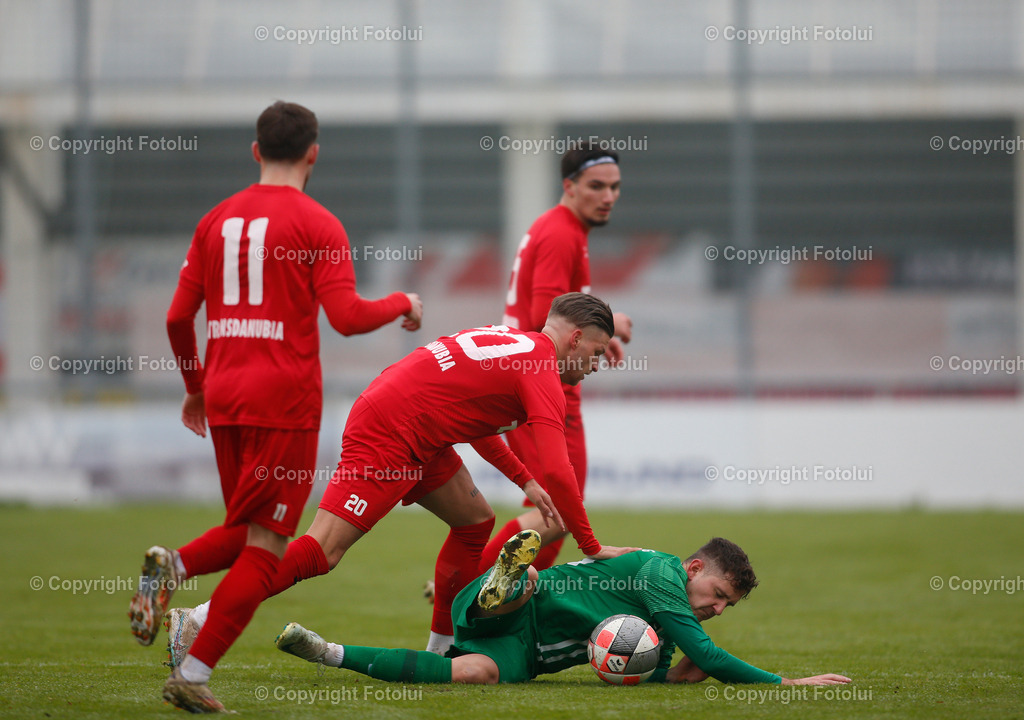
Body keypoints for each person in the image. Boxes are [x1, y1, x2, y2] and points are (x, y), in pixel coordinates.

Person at [156, 292, 638, 712]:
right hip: (392, 431)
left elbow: (469, 419)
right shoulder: (541, 370)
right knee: (322, 551)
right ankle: (198, 620)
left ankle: (442, 650)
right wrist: (592, 546)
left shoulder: (513, 341)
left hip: (414, 425)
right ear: (575, 338)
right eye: (597, 351)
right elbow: (560, 469)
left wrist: (523, 479)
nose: (597, 363)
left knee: (474, 520)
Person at [126, 100, 423, 713]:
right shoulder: (318, 223)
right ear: (314, 154)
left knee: (244, 528)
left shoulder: (215, 221)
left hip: (227, 397)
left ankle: (173, 566)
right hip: (283, 400)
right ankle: (193, 671)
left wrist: (195, 386)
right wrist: (401, 301)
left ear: (255, 152)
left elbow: (178, 316)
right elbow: (346, 318)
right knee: (267, 548)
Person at [279, 532, 852, 687]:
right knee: (527, 581)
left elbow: (669, 667)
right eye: (720, 596)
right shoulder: (662, 577)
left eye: (728, 606)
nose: (719, 609)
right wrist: (786, 682)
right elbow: (705, 650)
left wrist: (680, 676)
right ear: (696, 570)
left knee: (470, 674)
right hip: (521, 608)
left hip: (527, 651)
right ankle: (503, 580)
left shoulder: (664, 616)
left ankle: (326, 652)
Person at [483, 139, 634, 573]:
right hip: (540, 386)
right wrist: (613, 321)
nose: (608, 197)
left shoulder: (564, 229)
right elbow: (546, 319)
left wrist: (600, 339)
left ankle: (509, 601)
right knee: (560, 512)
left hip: (538, 381)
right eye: (596, 186)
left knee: (555, 513)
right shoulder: (560, 234)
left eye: (615, 187)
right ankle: (471, 585)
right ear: (569, 186)